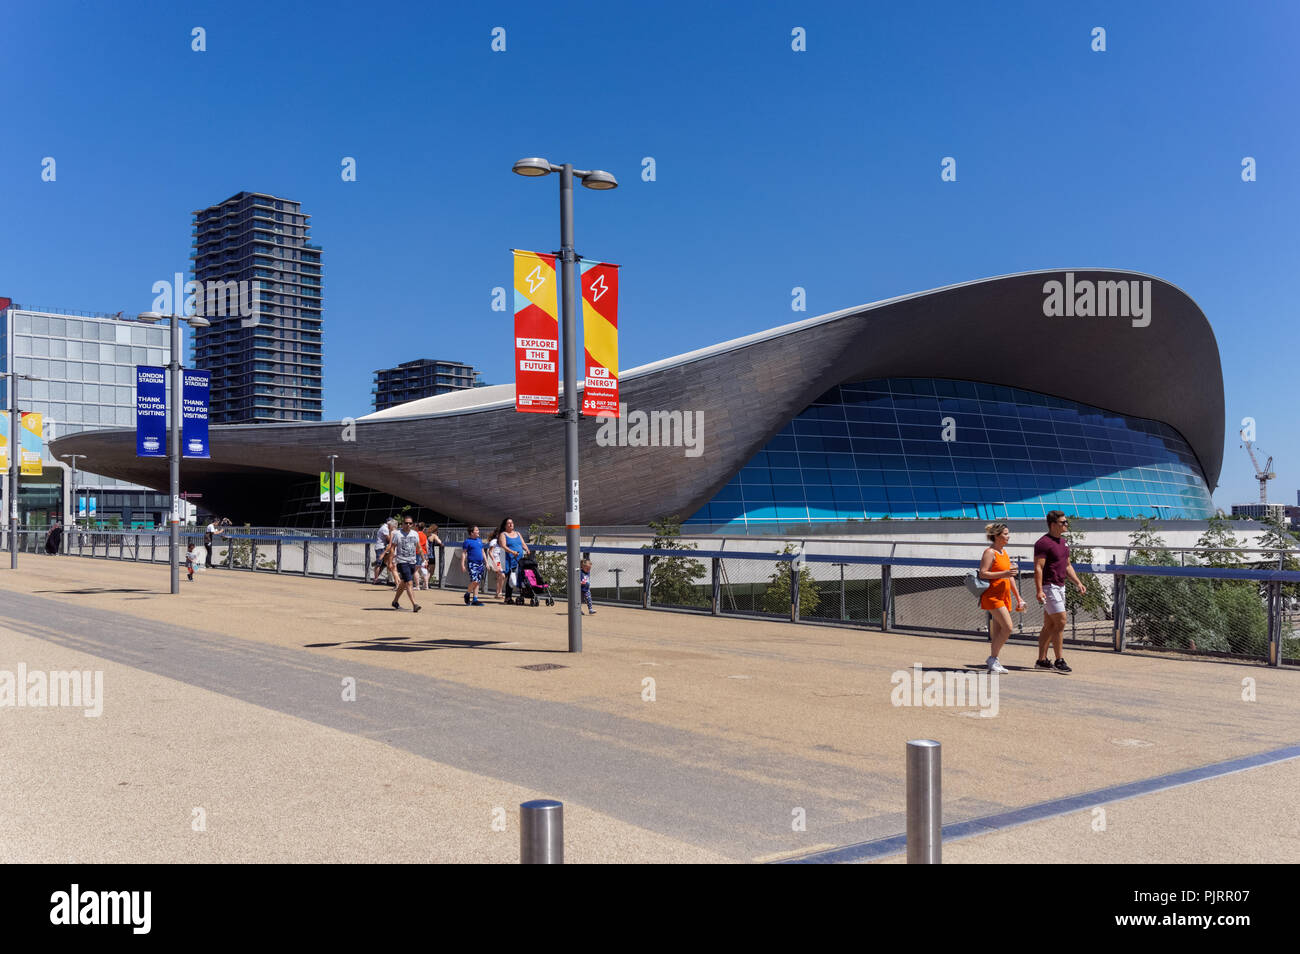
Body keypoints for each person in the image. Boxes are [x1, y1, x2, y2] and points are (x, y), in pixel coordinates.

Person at [1034, 511, 1085, 673]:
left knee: (1049, 625)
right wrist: (1039, 590)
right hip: (1049, 587)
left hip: (1060, 586)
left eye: (1066, 522)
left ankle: (1041, 660)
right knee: (1061, 621)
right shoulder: (1043, 543)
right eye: (1063, 522)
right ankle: (1059, 660)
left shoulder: (1063, 542)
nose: (1066, 525)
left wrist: (1078, 582)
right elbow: (1038, 567)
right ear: (1053, 524)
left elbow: (1068, 565)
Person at [978, 523, 1026, 674]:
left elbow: (1010, 577)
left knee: (999, 631)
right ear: (997, 536)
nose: (1008, 536)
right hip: (992, 596)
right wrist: (1004, 573)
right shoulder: (989, 552)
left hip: (1003, 596)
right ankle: (992, 659)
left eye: (1008, 533)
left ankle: (994, 660)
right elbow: (983, 573)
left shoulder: (1003, 552)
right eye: (1005, 534)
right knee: (1008, 627)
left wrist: (1018, 597)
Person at [385, 517, 423, 612]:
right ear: (403, 524)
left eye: (410, 523)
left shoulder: (415, 534)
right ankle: (415, 604)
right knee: (409, 583)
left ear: (413, 524)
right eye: (406, 523)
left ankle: (395, 601)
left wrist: (424, 559)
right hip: (402, 561)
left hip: (412, 561)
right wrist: (390, 562)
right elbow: (392, 548)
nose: (408, 525)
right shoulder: (397, 534)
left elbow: (418, 547)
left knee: (403, 582)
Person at [497, 517, 529, 603]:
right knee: (510, 577)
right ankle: (508, 597)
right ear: (505, 526)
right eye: (509, 523)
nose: (511, 524)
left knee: (520, 577)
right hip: (509, 559)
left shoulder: (517, 533)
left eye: (512, 523)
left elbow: (522, 543)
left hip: (519, 559)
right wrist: (512, 552)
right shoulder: (503, 534)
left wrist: (526, 549)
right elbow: (503, 546)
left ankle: (521, 596)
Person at [461, 525, 488, 606]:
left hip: (480, 564)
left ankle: (475, 599)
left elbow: (483, 552)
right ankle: (467, 594)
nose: (478, 531)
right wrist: (462, 564)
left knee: (477, 582)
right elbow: (464, 553)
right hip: (472, 563)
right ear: (472, 533)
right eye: (476, 530)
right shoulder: (467, 542)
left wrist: (486, 562)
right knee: (474, 581)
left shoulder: (479, 540)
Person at [372, 518, 396, 585]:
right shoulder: (385, 528)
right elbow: (388, 539)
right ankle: (376, 580)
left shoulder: (385, 527)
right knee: (379, 564)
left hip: (382, 547)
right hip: (380, 547)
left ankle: (385, 579)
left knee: (384, 564)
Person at [487, 526, 506, 599]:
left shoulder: (501, 541)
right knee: (502, 575)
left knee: (499, 577)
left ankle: (498, 593)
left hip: (500, 560)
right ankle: (500, 592)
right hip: (496, 561)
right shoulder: (494, 541)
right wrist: (494, 561)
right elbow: (490, 552)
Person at [415, 522, 429, 590]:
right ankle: (426, 585)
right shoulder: (424, 535)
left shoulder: (416, 534)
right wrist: (427, 555)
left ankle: (417, 586)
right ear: (423, 528)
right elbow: (426, 546)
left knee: (416, 570)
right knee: (424, 569)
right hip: (424, 553)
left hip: (417, 553)